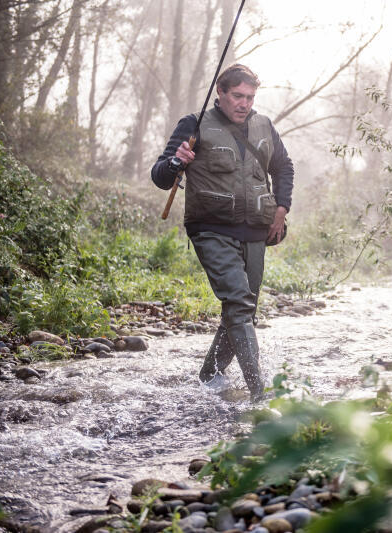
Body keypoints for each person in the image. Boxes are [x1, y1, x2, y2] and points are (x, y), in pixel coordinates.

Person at [151, 64, 294, 400]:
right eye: (237, 96)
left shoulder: (264, 125)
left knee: (242, 309)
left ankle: (210, 375)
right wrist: (176, 162)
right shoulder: (194, 124)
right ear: (221, 91)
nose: (244, 104)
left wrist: (281, 208)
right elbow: (160, 176)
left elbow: (284, 167)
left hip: (256, 229)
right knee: (239, 302)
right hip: (211, 228)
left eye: (250, 97)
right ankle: (260, 394)